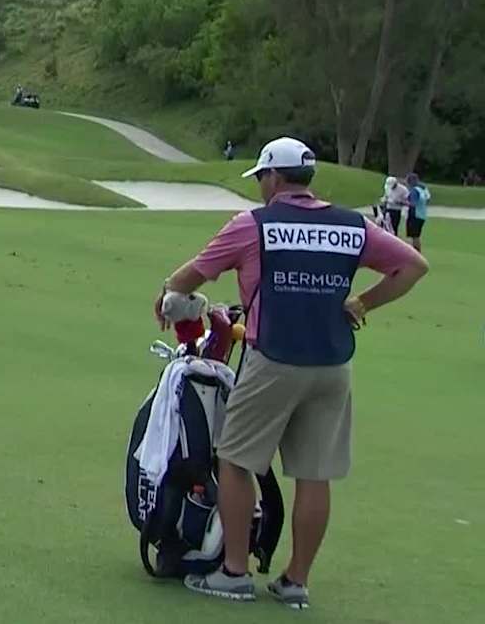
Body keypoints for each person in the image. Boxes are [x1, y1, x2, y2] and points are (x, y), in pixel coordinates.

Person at [155, 137, 428, 608]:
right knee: (313, 474)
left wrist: (167, 294)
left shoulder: (253, 225)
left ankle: (234, 573)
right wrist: (362, 303)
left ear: (275, 177)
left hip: (273, 361)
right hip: (332, 366)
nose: (260, 186)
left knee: (235, 461)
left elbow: (190, 276)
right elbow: (412, 265)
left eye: (262, 177)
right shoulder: (352, 225)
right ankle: (295, 582)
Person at [404, 172, 431, 251]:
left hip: (415, 215)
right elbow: (427, 199)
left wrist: (403, 202)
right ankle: (416, 251)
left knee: (414, 236)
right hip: (422, 214)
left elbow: (413, 204)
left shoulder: (414, 191)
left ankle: (415, 251)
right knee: (417, 235)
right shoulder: (422, 189)